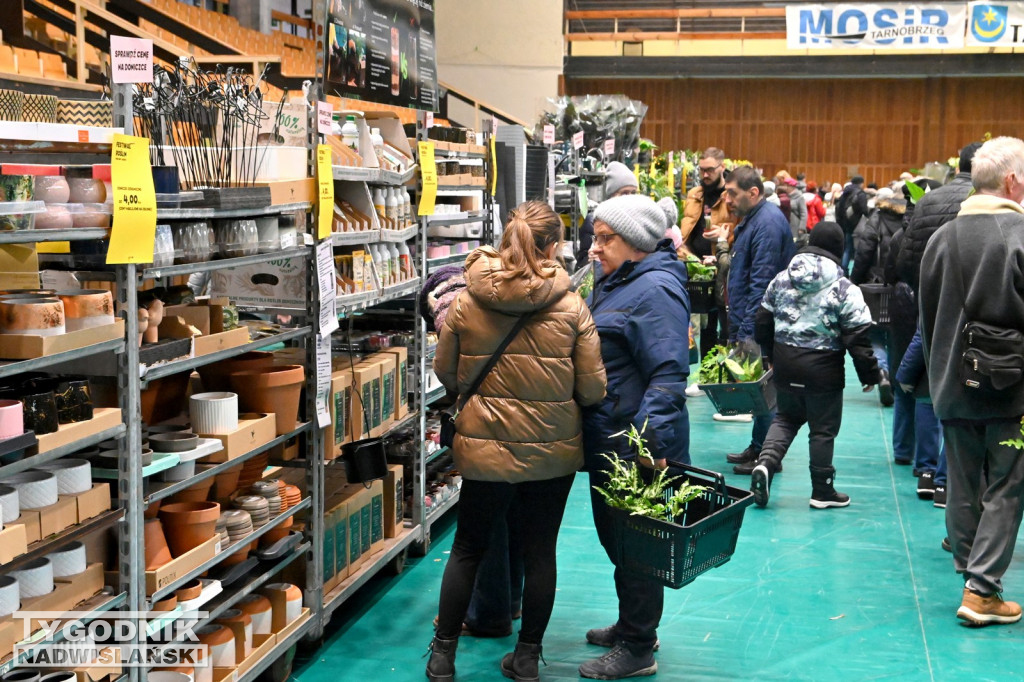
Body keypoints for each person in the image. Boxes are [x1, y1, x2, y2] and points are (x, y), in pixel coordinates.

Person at [426, 201, 607, 681]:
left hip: (484, 448)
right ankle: (527, 658)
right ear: (553, 246)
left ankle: (442, 656)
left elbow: (445, 371)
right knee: (539, 550)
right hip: (552, 451)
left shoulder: (466, 300)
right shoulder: (572, 307)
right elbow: (592, 389)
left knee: (468, 546)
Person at [580, 194, 690, 680]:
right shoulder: (618, 281)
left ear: (638, 244)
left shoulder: (655, 291)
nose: (595, 247)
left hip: (636, 445)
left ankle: (639, 646)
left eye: (606, 239)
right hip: (610, 432)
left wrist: (649, 446)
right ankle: (632, 624)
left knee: (637, 542)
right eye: (595, 237)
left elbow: (668, 376)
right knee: (616, 538)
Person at [919, 136, 1024, 627]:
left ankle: (970, 576)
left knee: (961, 483)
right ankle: (982, 590)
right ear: (1012, 181)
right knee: (1006, 484)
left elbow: (927, 319)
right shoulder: (1020, 234)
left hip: (950, 385)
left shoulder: (941, 239)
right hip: (1009, 389)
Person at [749, 222, 881, 507]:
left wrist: (768, 355)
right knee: (822, 430)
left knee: (785, 418)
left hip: (785, 362)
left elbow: (761, 320)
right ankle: (822, 491)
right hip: (824, 370)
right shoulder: (844, 287)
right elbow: (858, 337)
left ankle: (766, 464)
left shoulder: (782, 279)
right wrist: (869, 374)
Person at [891, 144, 981, 505]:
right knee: (965, 393)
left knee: (928, 387)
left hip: (930, 304)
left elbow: (906, 258)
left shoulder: (929, 200)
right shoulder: (988, 205)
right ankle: (947, 480)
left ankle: (926, 471)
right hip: (977, 309)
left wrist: (927, 294)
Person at [720, 166, 796, 474]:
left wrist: (748, 331)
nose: (727, 199)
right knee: (758, 387)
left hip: (764, 323)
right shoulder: (754, 220)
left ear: (754, 193)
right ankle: (759, 446)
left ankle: (766, 455)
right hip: (753, 319)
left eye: (732, 193)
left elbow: (761, 284)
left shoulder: (766, 224)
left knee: (765, 389)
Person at [679, 147, 735, 364]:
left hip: (722, 264)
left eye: (710, 170)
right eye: (702, 170)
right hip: (696, 267)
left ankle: (721, 372)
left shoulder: (730, 196)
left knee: (723, 320)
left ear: (722, 167)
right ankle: (706, 370)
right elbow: (687, 229)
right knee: (704, 324)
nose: (705, 175)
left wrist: (721, 242)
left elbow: (737, 229)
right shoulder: (695, 195)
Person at [851, 188, 906, 407]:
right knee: (895, 333)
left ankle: (881, 372)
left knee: (874, 332)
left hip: (874, 285)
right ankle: (894, 377)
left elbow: (864, 251)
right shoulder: (908, 220)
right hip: (900, 285)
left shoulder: (876, 219)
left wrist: (854, 280)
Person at [578, 161, 638, 263]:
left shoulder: (639, 223)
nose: (629, 198)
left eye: (633, 192)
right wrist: (590, 259)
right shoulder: (594, 222)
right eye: (624, 193)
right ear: (611, 195)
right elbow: (581, 264)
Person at [835, 176, 870, 272]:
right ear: (862, 183)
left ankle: (843, 270)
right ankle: (855, 272)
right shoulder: (860, 193)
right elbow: (864, 210)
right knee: (858, 250)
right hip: (857, 224)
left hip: (846, 224)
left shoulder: (845, 192)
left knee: (847, 249)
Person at [779, 177, 808, 247]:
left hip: (795, 226)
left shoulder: (799, 197)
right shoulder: (785, 196)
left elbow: (804, 213)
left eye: (786, 185)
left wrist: (801, 228)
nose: (785, 188)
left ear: (791, 186)